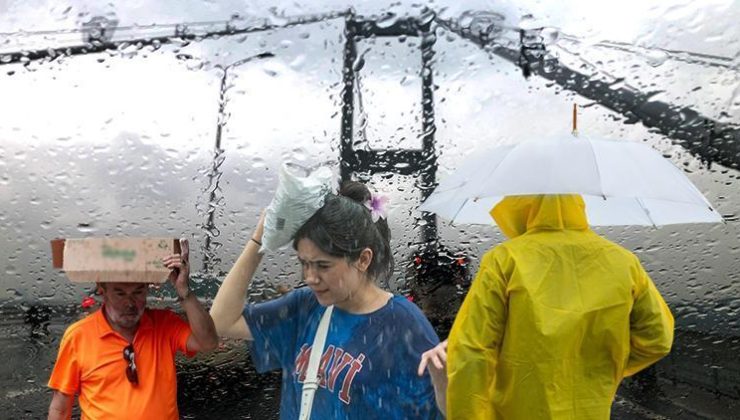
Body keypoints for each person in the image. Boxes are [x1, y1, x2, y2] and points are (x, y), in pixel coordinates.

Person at [420, 194, 675, 419]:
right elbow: (658, 339)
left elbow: (472, 350)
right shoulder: (624, 262)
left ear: (523, 206)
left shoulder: (505, 260)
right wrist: (605, 370)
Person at [210, 181, 444, 419]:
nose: (310, 278)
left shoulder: (404, 325)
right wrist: (258, 240)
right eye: (304, 263)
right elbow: (221, 322)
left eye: (323, 265)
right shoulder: (304, 307)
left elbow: (439, 411)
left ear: (363, 259)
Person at [47, 239, 219, 420]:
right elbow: (60, 407)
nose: (130, 303)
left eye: (137, 292)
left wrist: (184, 291)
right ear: (102, 290)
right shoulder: (78, 336)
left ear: (147, 289)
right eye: (120, 293)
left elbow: (208, 342)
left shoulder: (164, 325)